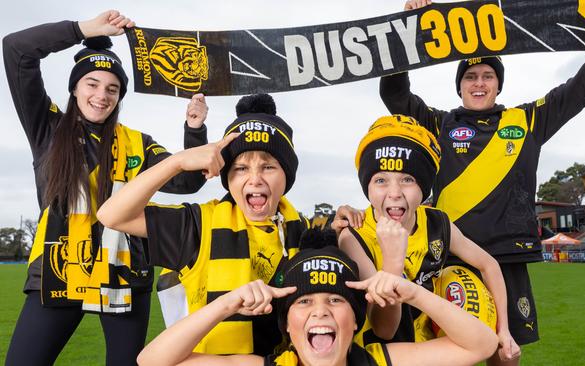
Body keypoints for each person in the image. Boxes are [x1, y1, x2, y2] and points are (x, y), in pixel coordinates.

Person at [379, 1, 585, 364]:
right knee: (440, 351)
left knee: (506, 354)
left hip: (506, 258)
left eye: (487, 76)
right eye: (470, 77)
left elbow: (584, 85)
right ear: (459, 88)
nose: (479, 83)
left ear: (498, 85)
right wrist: (407, 30)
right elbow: (395, 96)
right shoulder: (437, 124)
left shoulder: (528, 119)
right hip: (451, 255)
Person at [3, 10, 209, 366]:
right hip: (59, 275)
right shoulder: (48, 128)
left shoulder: (137, 144)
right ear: (74, 87)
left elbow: (187, 180)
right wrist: (82, 30)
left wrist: (194, 129)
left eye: (112, 88)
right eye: (92, 84)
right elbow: (16, 49)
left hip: (125, 279)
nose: (102, 95)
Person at [97, 93, 315, 356]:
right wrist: (177, 162)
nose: (255, 179)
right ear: (226, 177)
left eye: (268, 167)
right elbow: (111, 215)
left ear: (287, 175)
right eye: (241, 169)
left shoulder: (304, 231)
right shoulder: (200, 224)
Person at [136, 232, 498, 366]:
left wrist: (413, 292)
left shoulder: (378, 360)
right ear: (286, 324)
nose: (320, 311)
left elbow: (481, 345)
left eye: (336, 300)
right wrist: (225, 304)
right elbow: (151, 361)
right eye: (304, 302)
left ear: (356, 320)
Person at [338, 115, 517, 358]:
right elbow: (384, 329)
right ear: (366, 187)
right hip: (382, 353)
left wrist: (504, 329)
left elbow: (489, 264)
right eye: (380, 180)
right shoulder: (353, 236)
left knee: (504, 352)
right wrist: (392, 263)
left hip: (432, 347)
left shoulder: (437, 222)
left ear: (423, 187)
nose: (394, 193)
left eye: (407, 179)